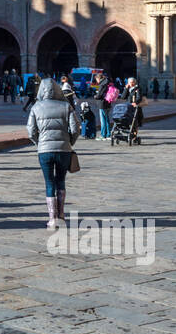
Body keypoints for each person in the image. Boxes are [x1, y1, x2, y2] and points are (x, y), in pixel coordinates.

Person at [27, 78, 81, 230]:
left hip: (44, 150)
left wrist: (39, 143)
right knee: (61, 181)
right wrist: (70, 142)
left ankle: (52, 219)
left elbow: (30, 131)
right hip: (64, 149)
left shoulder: (36, 107)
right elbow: (76, 129)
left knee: (49, 182)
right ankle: (62, 216)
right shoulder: (66, 106)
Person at [92, 72, 113, 139]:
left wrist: (95, 96)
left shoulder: (102, 84)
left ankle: (103, 135)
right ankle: (108, 134)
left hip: (102, 104)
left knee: (103, 120)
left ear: (98, 78)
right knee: (107, 119)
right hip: (108, 103)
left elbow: (99, 95)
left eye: (96, 79)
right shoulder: (107, 83)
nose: (96, 81)